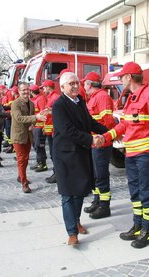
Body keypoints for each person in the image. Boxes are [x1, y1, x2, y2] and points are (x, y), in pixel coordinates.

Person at [102, 62, 149, 249]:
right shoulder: (132, 98)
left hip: (145, 155)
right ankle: (137, 225)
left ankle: (148, 231)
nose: (121, 80)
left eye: (122, 76)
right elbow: (124, 125)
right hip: (130, 155)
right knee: (135, 193)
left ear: (129, 77)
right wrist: (106, 136)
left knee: (146, 192)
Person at [52, 72, 108, 246]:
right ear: (62, 87)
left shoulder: (80, 101)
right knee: (68, 194)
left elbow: (89, 123)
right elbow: (68, 130)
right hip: (65, 155)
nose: (76, 86)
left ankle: (76, 221)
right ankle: (72, 232)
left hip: (80, 153)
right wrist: (91, 139)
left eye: (77, 82)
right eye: (71, 84)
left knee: (80, 192)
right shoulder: (59, 105)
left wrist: (109, 132)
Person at [82, 72, 116, 219]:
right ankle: (97, 201)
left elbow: (108, 121)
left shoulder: (102, 97)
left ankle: (104, 205)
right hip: (95, 142)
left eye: (84, 83)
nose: (83, 86)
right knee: (96, 174)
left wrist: (103, 137)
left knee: (101, 175)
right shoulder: (95, 97)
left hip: (101, 143)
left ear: (89, 84)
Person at [11, 82, 46, 193]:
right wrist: (35, 117)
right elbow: (19, 118)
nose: (26, 92)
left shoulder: (31, 103)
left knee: (25, 158)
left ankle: (20, 176)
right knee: (22, 159)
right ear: (19, 91)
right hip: (18, 135)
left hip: (28, 135)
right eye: (23, 90)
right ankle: (24, 183)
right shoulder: (15, 104)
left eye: (27, 89)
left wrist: (33, 123)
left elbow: (33, 119)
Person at [42, 79, 61, 183]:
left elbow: (56, 116)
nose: (43, 90)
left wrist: (53, 130)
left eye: (44, 88)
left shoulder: (55, 98)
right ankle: (56, 173)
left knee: (55, 154)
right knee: (53, 154)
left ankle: (57, 174)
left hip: (54, 132)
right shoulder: (51, 97)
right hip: (50, 131)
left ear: (49, 87)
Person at [29, 84, 48, 172]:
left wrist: (44, 126)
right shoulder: (34, 99)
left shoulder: (41, 99)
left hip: (39, 127)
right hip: (35, 126)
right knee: (36, 145)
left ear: (31, 92)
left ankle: (43, 164)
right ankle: (39, 162)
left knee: (39, 145)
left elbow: (44, 113)